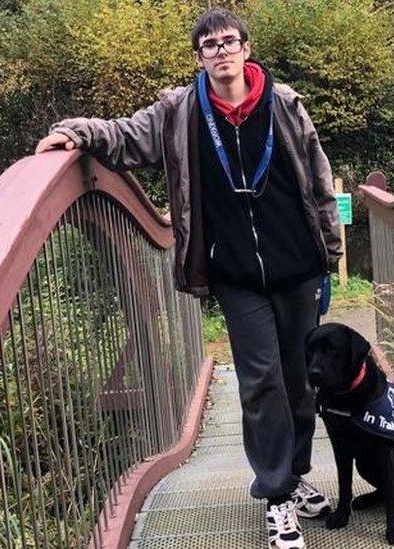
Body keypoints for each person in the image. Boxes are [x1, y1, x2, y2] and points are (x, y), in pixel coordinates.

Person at [35, 7, 342, 548]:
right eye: (209, 45)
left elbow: (318, 181)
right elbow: (126, 138)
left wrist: (330, 258)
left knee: (299, 381)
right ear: (199, 57)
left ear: (246, 48)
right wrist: (75, 132)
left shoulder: (287, 105)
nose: (220, 51)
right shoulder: (179, 111)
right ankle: (275, 496)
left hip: (297, 267)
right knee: (261, 381)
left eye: (229, 41)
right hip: (235, 274)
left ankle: (293, 477)